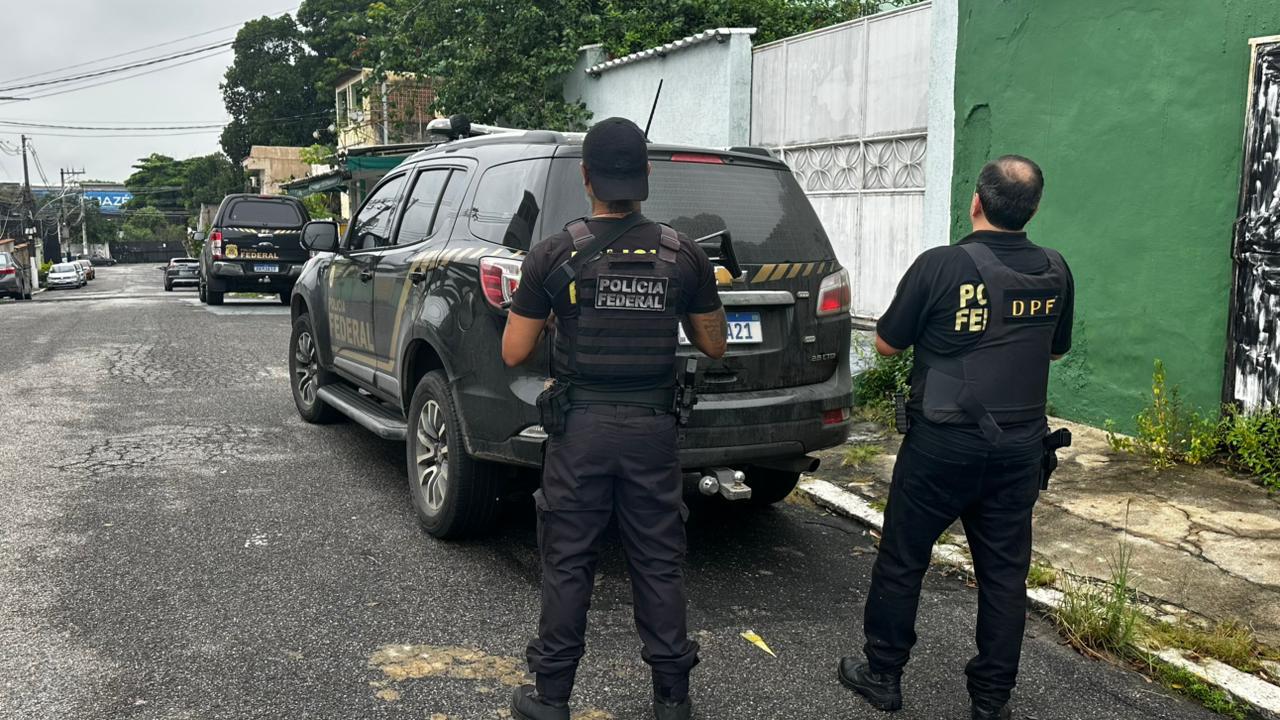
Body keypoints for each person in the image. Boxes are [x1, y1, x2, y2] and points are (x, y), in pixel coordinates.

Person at [501, 116, 728, 720]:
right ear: (646, 174)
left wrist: (556, 315)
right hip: (653, 431)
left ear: (586, 177)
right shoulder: (684, 256)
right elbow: (714, 345)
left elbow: (514, 352)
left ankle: (551, 697)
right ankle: (672, 698)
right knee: (658, 559)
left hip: (580, 432)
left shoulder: (553, 255)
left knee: (568, 560)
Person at [838, 155, 1074, 720]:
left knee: (903, 559)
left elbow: (887, 345)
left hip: (942, 445)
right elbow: (1055, 351)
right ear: (1034, 208)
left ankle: (883, 674)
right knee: (1004, 577)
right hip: (1020, 449)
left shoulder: (940, 265)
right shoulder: (1056, 269)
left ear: (976, 202)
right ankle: (991, 702)